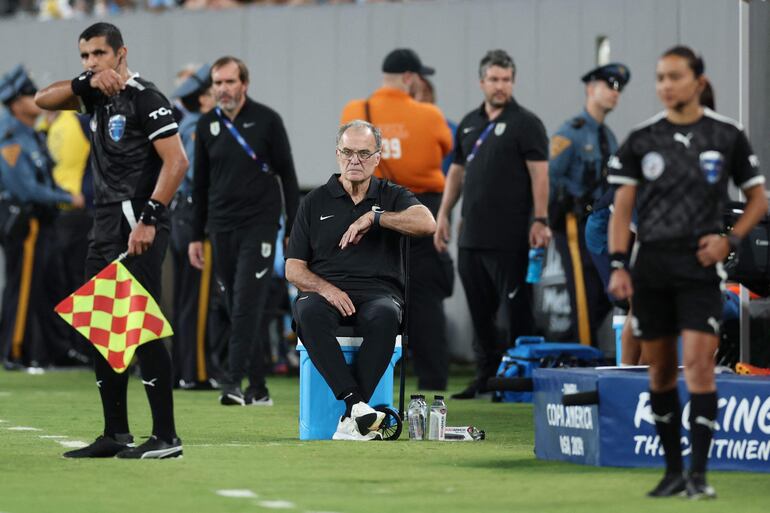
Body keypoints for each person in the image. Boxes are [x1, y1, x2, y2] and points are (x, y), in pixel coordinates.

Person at [607, 45, 767, 498]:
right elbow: (622, 210)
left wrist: (730, 240)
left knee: (698, 366)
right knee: (659, 373)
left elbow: (758, 198)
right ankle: (673, 471)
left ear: (697, 82)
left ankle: (699, 475)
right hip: (652, 267)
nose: (665, 86)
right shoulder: (641, 138)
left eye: (674, 77)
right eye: (659, 78)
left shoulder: (727, 135)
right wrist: (620, 264)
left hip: (701, 267)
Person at [35, 22, 188, 458]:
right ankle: (115, 433)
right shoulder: (94, 96)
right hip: (102, 224)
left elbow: (177, 162)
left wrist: (149, 219)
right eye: (84, 56)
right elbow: (42, 99)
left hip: (136, 222)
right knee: (104, 326)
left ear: (121, 53)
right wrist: (85, 81)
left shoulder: (145, 96)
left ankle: (166, 437)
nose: (90, 63)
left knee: (140, 326)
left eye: (98, 54)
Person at [285, 120, 436, 440]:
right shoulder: (314, 202)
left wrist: (376, 217)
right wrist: (326, 288)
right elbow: (294, 269)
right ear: (337, 154)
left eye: (364, 153)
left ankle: (351, 417)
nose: (355, 160)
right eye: (348, 152)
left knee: (385, 315)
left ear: (378, 157)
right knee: (308, 312)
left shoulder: (392, 195)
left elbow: (427, 223)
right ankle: (356, 408)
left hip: (379, 291)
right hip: (325, 292)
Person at [434, 49, 551, 399]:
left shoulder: (526, 123)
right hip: (472, 237)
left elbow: (540, 175)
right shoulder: (470, 122)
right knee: (480, 314)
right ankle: (485, 378)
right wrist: (443, 213)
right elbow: (456, 171)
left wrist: (541, 220)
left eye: (506, 80)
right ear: (481, 82)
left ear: (512, 82)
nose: (500, 86)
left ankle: (520, 380)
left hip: (512, 237)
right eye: (494, 79)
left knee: (518, 312)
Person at [339, 48, 453, 390]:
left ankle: (365, 372)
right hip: (420, 205)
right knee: (426, 295)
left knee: (372, 288)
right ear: (409, 77)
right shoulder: (430, 114)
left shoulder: (355, 110)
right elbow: (444, 147)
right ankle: (432, 376)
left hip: (370, 203)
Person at [189, 56, 300, 406]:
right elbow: (200, 186)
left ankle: (233, 382)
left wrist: (293, 229)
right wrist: (196, 234)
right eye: (217, 83)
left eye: (229, 82)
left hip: (260, 225)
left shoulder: (268, 120)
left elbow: (289, 177)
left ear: (244, 84)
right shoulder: (206, 126)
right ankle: (259, 388)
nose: (223, 89)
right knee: (236, 302)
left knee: (246, 300)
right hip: (220, 226)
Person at [0, 65, 85, 369]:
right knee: (22, 288)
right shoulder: (10, 136)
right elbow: (25, 188)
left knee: (43, 286)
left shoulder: (31, 134)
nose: (34, 99)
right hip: (26, 222)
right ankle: (14, 349)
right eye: (27, 95)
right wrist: (66, 198)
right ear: (15, 103)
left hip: (43, 222)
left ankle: (46, 349)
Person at [549, 63, 629, 346]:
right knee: (582, 297)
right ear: (590, 88)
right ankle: (581, 355)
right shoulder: (570, 132)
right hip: (573, 223)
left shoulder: (608, 137)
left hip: (600, 224)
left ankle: (566, 348)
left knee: (607, 292)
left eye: (619, 89)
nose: (615, 94)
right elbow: (551, 177)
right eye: (609, 86)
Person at [168, 63, 222, 390]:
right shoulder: (199, 127)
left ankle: (184, 369)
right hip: (195, 217)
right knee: (199, 297)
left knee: (188, 297)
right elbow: (195, 174)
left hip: (182, 215)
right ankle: (196, 371)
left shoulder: (186, 125)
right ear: (203, 98)